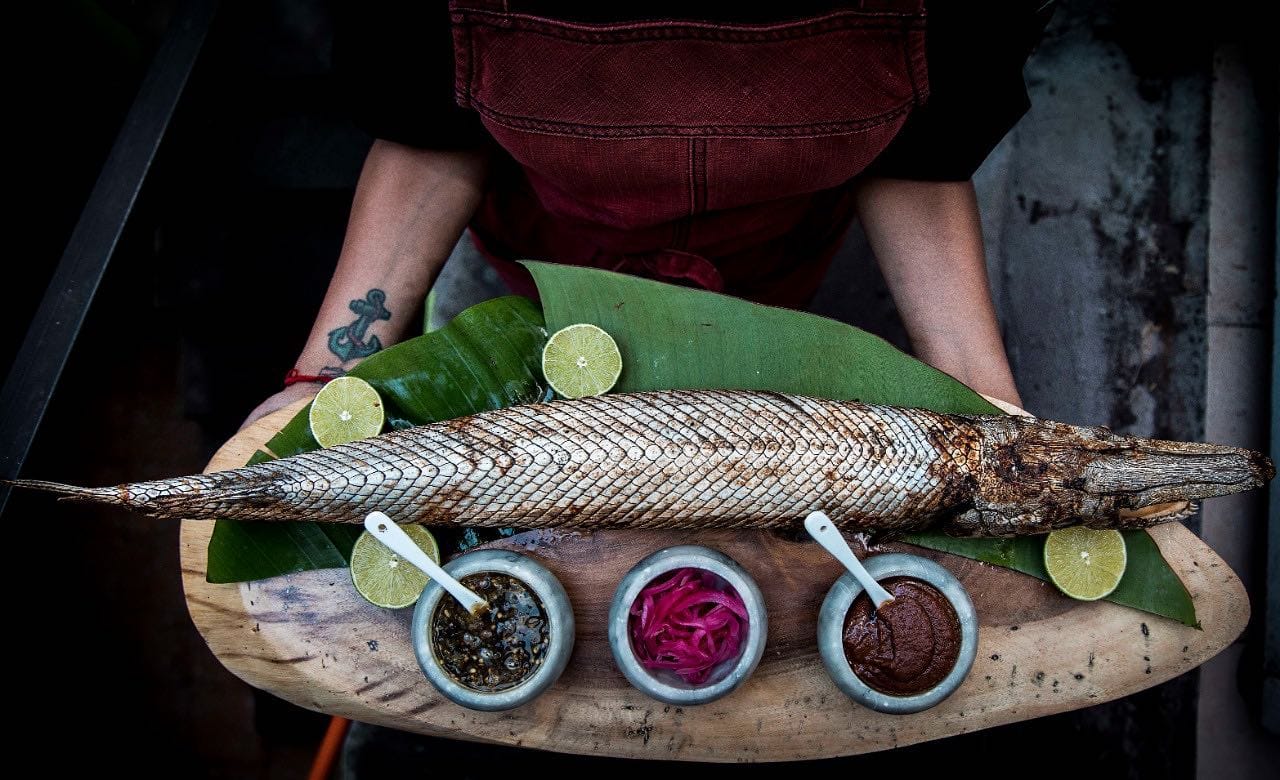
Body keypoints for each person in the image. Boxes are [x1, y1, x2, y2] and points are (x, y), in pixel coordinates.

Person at [244, 0, 1053, 427]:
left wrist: (982, 397)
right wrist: (331, 375)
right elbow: (429, 127)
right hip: (554, 237)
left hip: (775, 242)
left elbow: (923, 151)